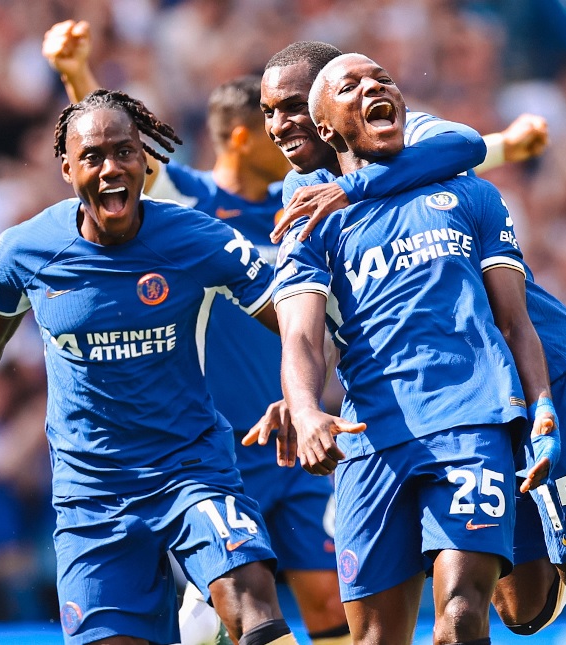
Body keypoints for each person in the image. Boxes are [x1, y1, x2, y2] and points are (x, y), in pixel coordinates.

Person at [259, 42, 566, 645]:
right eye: (270, 111)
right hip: (432, 402)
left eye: (294, 106)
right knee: (524, 612)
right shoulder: (303, 193)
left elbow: (465, 145)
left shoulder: (417, 147)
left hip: (541, 366)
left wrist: (360, 189)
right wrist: (298, 401)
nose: (282, 125)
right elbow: (326, 314)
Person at [41, 20, 349, 645]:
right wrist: (77, 71)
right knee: (224, 610)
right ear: (242, 134)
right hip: (226, 439)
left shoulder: (307, 200)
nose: (283, 134)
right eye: (268, 121)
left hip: (299, 421)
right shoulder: (193, 205)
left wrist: (503, 145)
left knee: (326, 595)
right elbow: (119, 158)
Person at [0, 89, 298, 645]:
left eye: (124, 152)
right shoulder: (25, 250)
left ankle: (210, 617)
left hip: (193, 471)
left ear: (146, 160)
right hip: (94, 494)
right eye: (92, 156)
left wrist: (301, 396)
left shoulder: (196, 238)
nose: (111, 168)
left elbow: (294, 318)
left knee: (253, 604)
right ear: (67, 168)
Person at [270, 52, 560, 645]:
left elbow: (515, 319)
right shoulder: (309, 211)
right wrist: (303, 408)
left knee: (460, 616)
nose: (373, 87)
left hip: (470, 420)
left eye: (381, 79)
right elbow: (301, 334)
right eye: (350, 86)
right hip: (371, 438)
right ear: (327, 126)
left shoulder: (464, 192)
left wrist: (543, 406)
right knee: (376, 638)